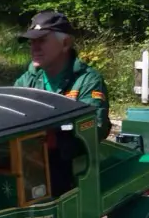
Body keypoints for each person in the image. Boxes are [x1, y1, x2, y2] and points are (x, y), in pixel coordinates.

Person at [14, 10, 111, 140]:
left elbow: (94, 130)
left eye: (41, 40)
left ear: (65, 44)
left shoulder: (87, 80)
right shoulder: (26, 81)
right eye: (31, 42)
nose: (34, 48)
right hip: (32, 157)